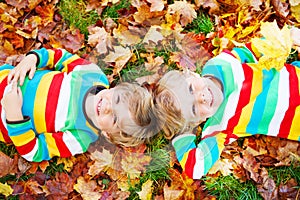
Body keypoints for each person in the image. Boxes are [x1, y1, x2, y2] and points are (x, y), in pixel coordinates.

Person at [153, 32, 300, 179]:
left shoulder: (219, 65)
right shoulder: (219, 125)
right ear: (195, 122)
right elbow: (195, 168)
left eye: (190, 89)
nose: (200, 98)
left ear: (191, 74)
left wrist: (285, 37)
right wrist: (181, 134)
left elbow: (250, 51)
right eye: (193, 109)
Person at [0, 48, 158, 162]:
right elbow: (60, 57)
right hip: (5, 77)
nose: (108, 107)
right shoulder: (92, 75)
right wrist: (33, 58)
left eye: (115, 118)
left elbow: (35, 152)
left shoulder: (80, 137)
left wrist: (14, 116)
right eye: (116, 99)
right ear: (117, 87)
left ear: (108, 134)